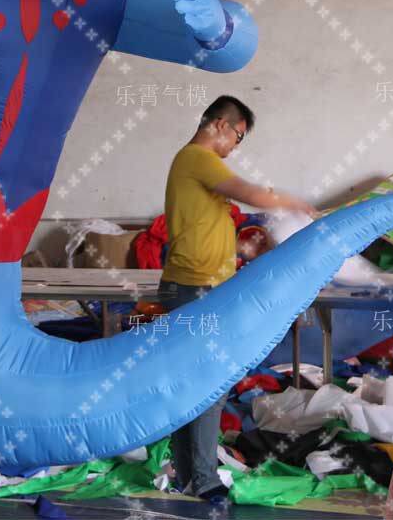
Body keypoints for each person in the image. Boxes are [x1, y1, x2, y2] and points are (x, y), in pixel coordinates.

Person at [158, 95, 316, 501]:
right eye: (238, 137)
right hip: (195, 290)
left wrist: (241, 251)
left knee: (196, 385)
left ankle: (188, 475)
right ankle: (204, 480)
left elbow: (202, 230)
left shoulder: (194, 166)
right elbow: (254, 194)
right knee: (210, 384)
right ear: (221, 125)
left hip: (200, 287)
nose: (235, 147)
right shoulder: (198, 157)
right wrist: (296, 204)